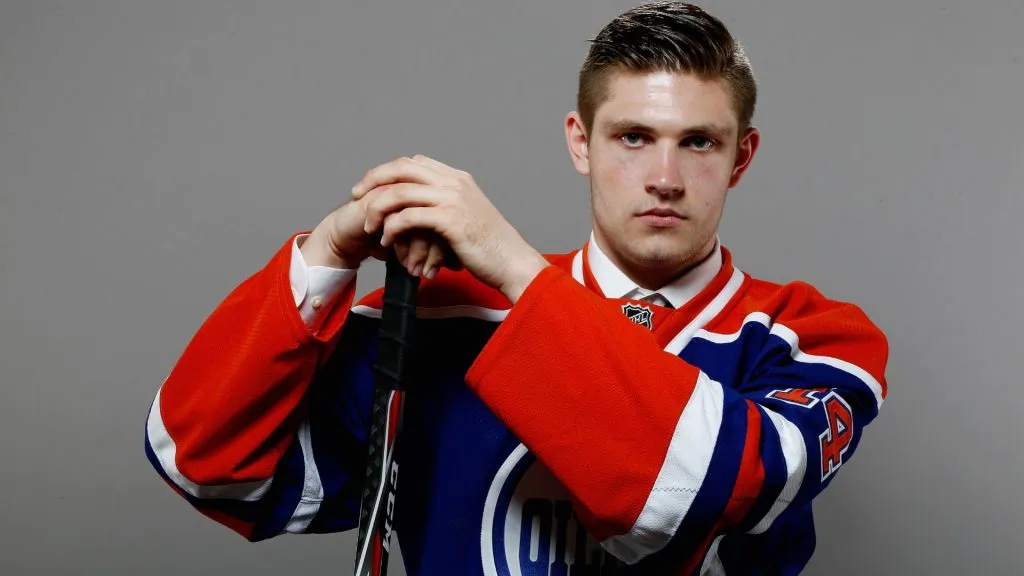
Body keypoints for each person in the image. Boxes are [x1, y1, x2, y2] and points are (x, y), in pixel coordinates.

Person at [144, 2, 889, 574]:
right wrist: (327, 254)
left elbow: (695, 497)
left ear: (742, 156)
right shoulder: (444, 316)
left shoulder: (815, 339)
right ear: (580, 142)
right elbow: (206, 467)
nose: (665, 178)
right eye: (632, 137)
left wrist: (511, 264)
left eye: (699, 141)